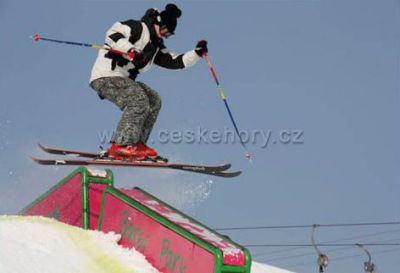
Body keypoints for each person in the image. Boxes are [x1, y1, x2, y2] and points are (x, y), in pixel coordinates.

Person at [89, 3, 208, 160]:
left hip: (122, 79)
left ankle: (136, 143)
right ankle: (121, 146)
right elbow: (113, 34)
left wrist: (196, 53)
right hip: (106, 75)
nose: (165, 35)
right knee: (138, 100)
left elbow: (175, 61)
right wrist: (131, 50)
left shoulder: (155, 47)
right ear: (158, 23)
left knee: (153, 100)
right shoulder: (138, 27)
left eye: (169, 34)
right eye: (165, 30)